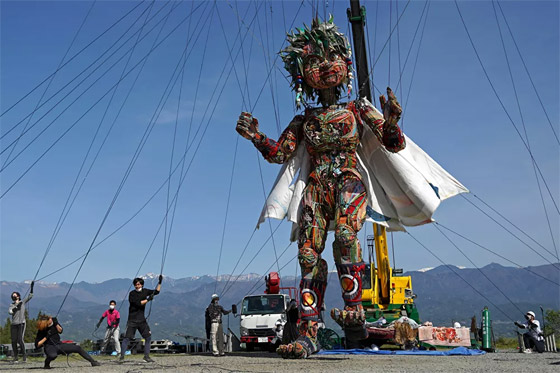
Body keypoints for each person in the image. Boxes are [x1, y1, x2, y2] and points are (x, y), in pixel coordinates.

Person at [119, 275, 162, 363]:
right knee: (127, 338)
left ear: (142, 285)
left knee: (148, 337)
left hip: (142, 320)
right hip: (132, 320)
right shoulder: (132, 294)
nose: (137, 286)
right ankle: (122, 356)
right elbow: (138, 304)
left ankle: (146, 356)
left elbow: (156, 292)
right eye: (136, 284)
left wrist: (160, 282)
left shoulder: (145, 291)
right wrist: (148, 300)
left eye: (139, 284)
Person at [34, 315, 100, 369]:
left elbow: (60, 331)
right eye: (49, 321)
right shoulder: (41, 331)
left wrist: (56, 323)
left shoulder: (54, 324)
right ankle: (47, 364)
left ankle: (93, 362)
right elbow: (37, 344)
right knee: (52, 356)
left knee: (77, 348)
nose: (51, 321)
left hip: (59, 345)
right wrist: (46, 337)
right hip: (50, 347)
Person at [8, 281, 34, 363]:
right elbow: (10, 312)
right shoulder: (11, 305)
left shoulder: (23, 302)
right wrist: (16, 307)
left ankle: (24, 356)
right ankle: (15, 357)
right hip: (14, 324)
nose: (13, 295)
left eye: (14, 294)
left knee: (20, 339)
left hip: (21, 323)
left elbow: (30, 296)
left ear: (18, 296)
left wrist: (32, 287)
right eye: (13, 295)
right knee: (13, 341)